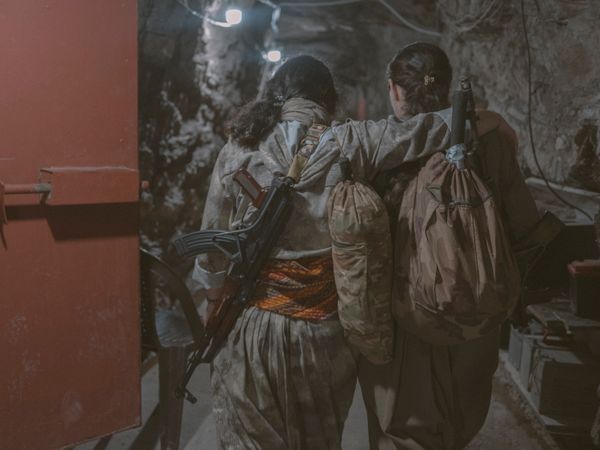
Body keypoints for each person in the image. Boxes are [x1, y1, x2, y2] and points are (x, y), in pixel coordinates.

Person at [191, 54, 503, 450]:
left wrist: (213, 301)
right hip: (325, 336)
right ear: (328, 97)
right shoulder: (351, 140)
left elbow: (213, 244)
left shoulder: (238, 149)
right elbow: (428, 130)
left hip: (254, 329)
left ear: (274, 94)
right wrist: (488, 120)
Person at [359, 42, 541, 450]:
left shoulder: (382, 145)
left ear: (393, 89)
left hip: (406, 317)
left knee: (402, 426)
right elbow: (523, 224)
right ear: (444, 86)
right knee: (457, 424)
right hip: (474, 309)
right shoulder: (490, 141)